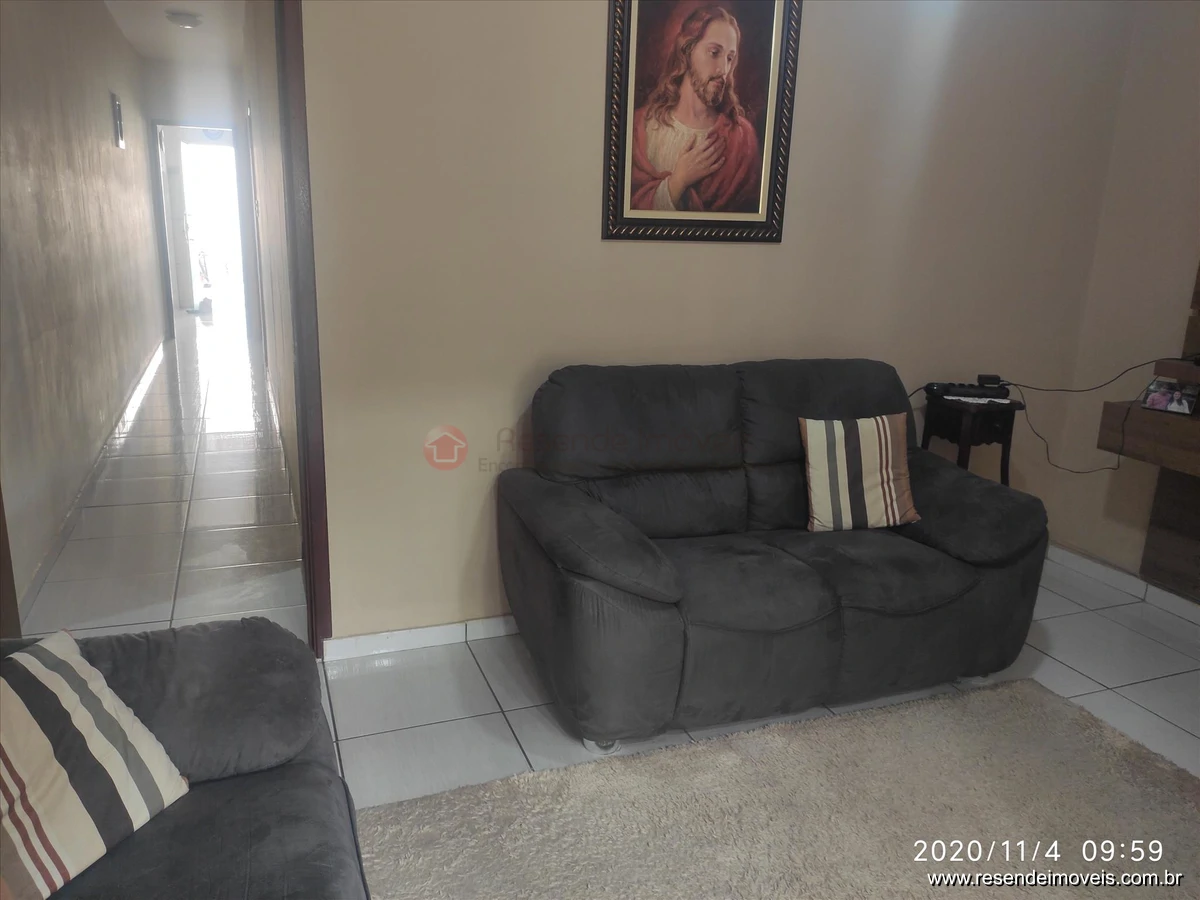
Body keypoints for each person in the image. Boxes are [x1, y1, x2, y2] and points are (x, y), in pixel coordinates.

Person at [630, 5, 762, 213]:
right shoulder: (640, 127)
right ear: (687, 51)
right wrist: (678, 181)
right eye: (714, 53)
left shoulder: (742, 138)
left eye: (729, 58)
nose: (723, 70)